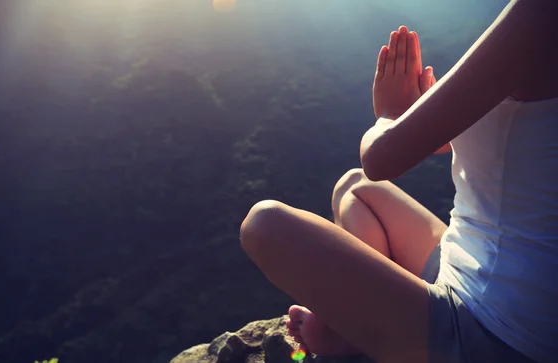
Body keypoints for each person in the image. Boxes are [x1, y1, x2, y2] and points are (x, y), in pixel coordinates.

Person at [239, 1, 558, 362]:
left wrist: (390, 117)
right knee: (355, 187)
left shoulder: (539, 14)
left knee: (264, 224)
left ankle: (359, 333)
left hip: (499, 332)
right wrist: (431, 120)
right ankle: (362, 324)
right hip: (484, 265)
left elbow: (381, 158)